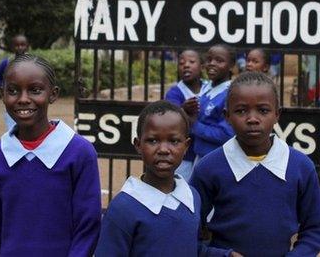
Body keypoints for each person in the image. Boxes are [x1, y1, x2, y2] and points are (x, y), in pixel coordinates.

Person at [190, 72, 320, 256]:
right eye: (241, 111)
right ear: (227, 116)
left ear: (277, 114)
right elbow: (188, 227)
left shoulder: (300, 166)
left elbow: (316, 226)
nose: (252, 119)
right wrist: (218, 255)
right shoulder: (209, 167)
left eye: (263, 110)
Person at [0, 54, 101, 256]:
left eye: (35, 90)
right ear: (2, 95)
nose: (23, 99)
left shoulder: (79, 152)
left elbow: (87, 226)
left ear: (53, 94)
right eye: (12, 91)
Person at [95, 100, 234, 256]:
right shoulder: (123, 208)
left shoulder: (192, 197)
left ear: (186, 146)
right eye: (152, 140)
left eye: (173, 141)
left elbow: (192, 249)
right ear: (138, 145)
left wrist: (225, 255)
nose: (163, 150)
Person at [165, 49, 210, 181]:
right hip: (184, 157)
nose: (186, 65)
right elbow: (170, 120)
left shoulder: (210, 89)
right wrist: (182, 110)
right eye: (181, 63)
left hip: (205, 153)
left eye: (191, 62)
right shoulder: (174, 93)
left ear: (202, 67)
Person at [192, 44, 235, 161]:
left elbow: (226, 134)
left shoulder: (231, 94)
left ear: (231, 66)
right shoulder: (206, 88)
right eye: (209, 59)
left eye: (219, 61)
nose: (212, 63)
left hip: (218, 159)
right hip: (200, 156)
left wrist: (193, 124)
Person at [0, 34, 29, 130]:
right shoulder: (6, 62)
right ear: (13, 47)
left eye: (22, 45)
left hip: (28, 99)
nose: (20, 47)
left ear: (27, 46)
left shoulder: (33, 62)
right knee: (12, 127)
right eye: (17, 45)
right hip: (11, 101)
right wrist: (3, 89)